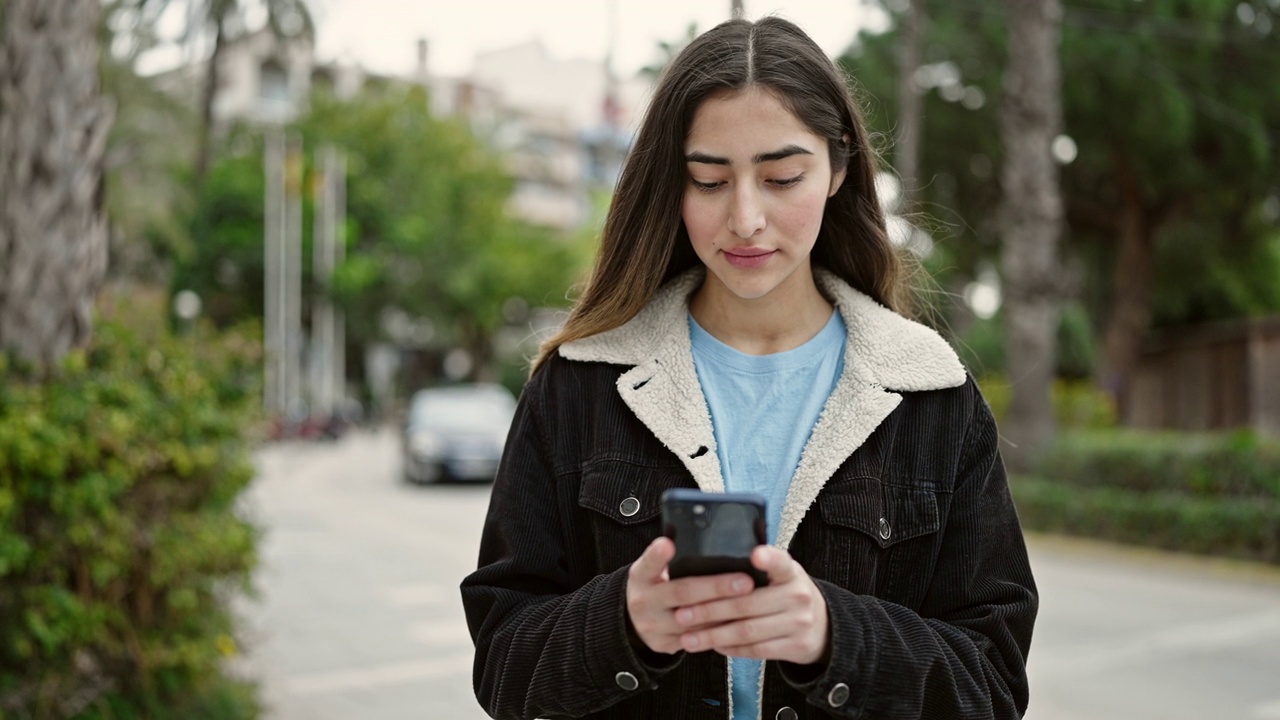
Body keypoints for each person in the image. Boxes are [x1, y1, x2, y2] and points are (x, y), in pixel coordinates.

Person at [461, 15, 1037, 720]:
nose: (745, 218)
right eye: (708, 180)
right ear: (671, 184)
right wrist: (624, 624)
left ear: (840, 168)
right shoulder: (581, 383)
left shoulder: (930, 393)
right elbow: (501, 664)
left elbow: (994, 685)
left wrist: (833, 635)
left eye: (781, 177)